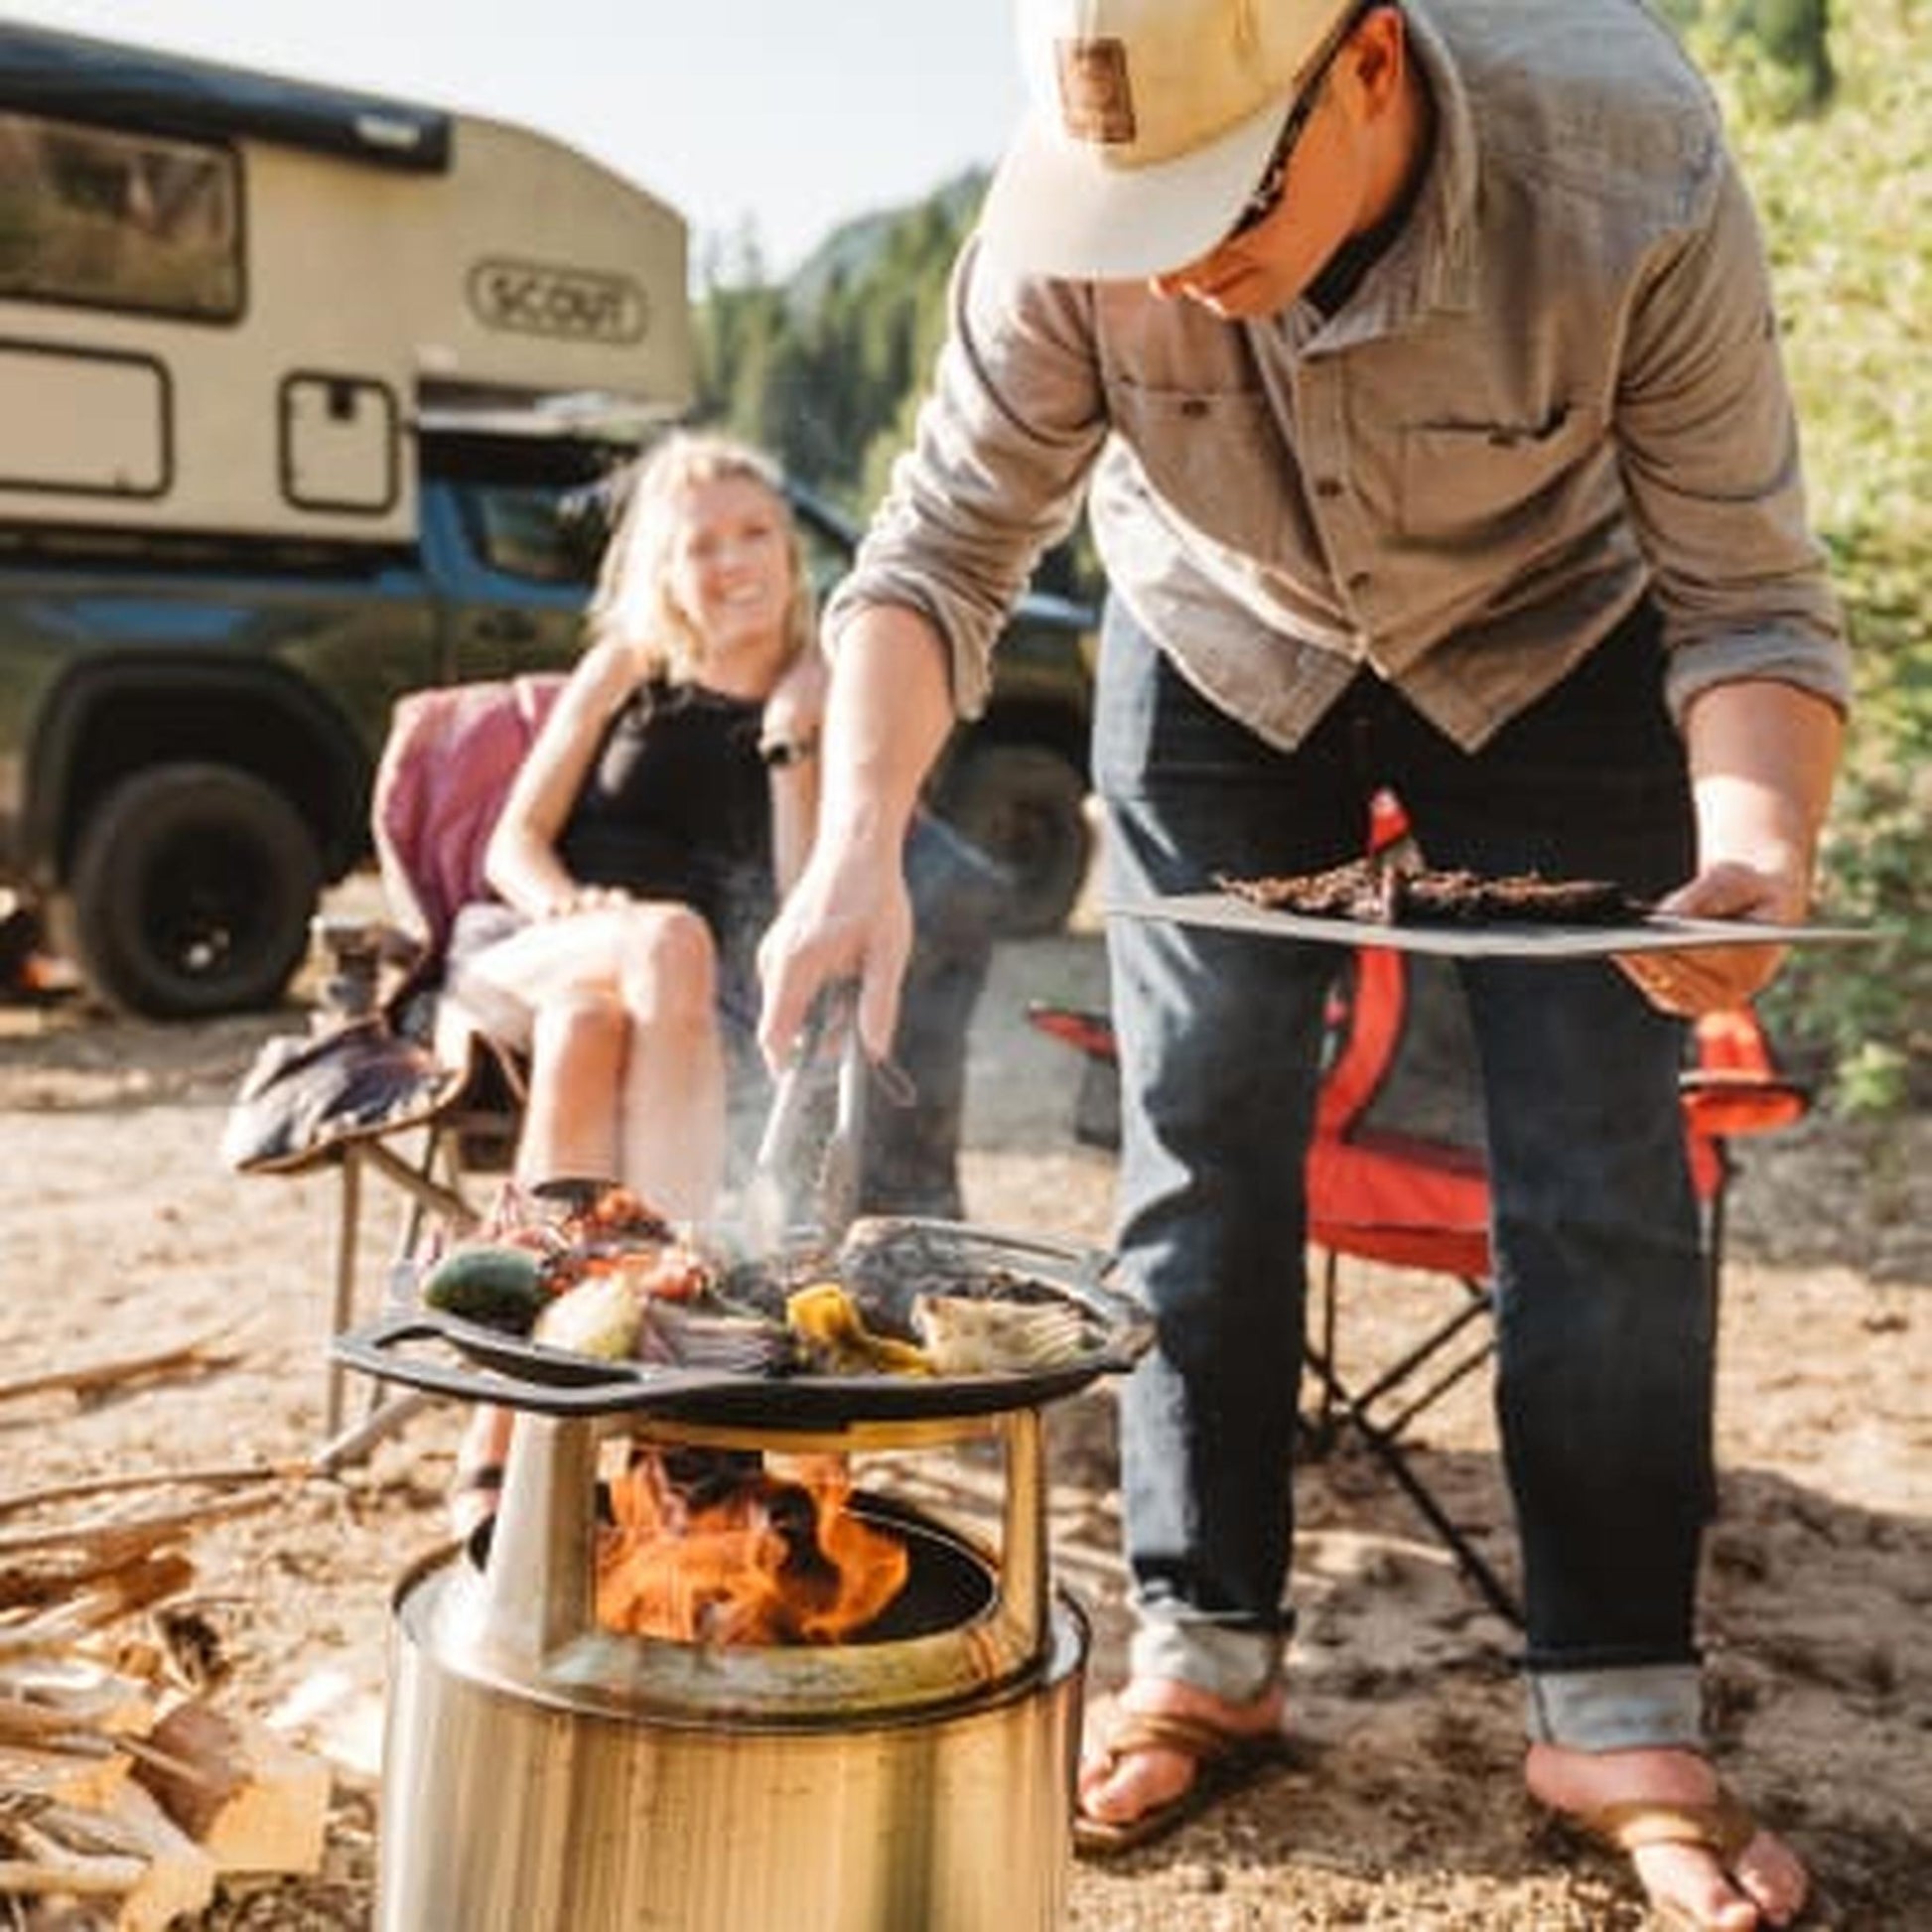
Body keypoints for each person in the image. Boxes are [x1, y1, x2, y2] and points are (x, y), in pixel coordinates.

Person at [756, 3, 1849, 1926]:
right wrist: (852, 849)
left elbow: (1745, 585)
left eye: (1217, 203)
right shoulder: (1056, 235)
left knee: (1596, 1176)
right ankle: (1205, 1644)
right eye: (1130, 213)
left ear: (1362, 67)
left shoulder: (1624, 153)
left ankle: (1610, 1703)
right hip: (1216, 645)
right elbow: (930, 556)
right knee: (1197, 1147)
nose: (1174, 263)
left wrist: (1749, 843)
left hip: (1557, 640)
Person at [444, 429, 825, 1528]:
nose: (733, 561)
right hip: (536, 939)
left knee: (587, 1031)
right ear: (663, 564)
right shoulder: (627, 665)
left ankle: (504, 1425)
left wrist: (795, 736)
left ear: (792, 550)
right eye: (700, 543)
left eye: (754, 533)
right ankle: (682, 1383)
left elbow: (801, 896)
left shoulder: (820, 691)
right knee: (651, 949)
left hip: (666, 1006)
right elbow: (512, 843)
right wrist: (582, 912)